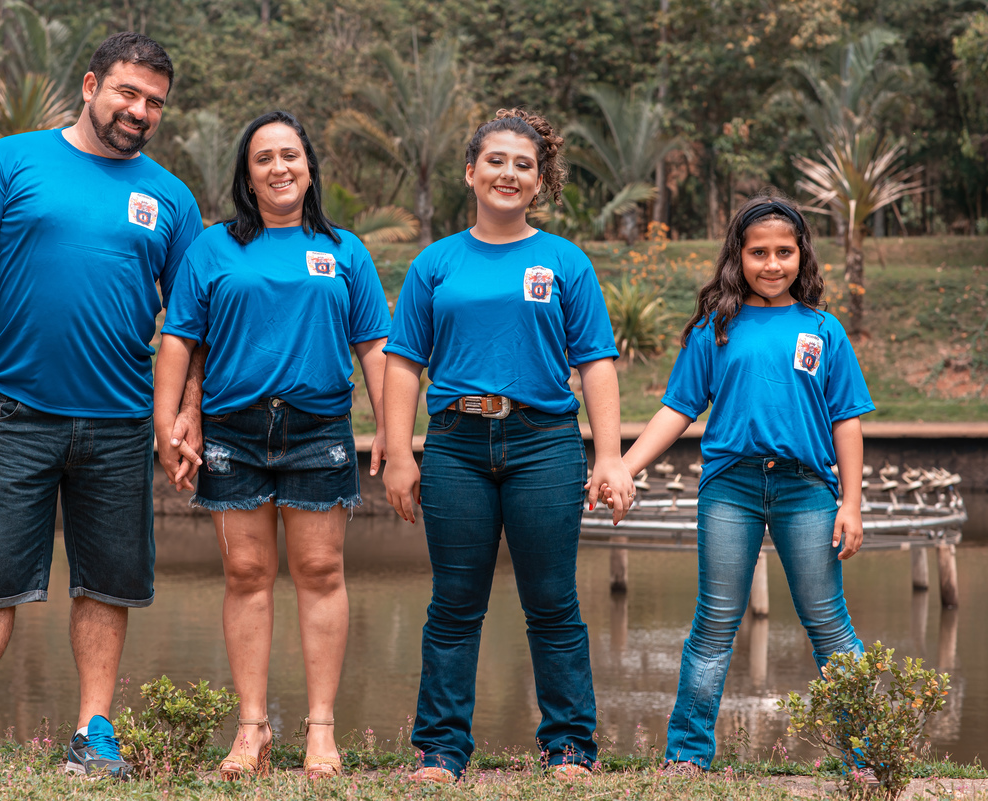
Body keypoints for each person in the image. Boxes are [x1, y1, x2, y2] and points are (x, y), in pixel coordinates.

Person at [0, 32, 204, 780]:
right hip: (14, 410)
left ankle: (94, 731)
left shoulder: (172, 197)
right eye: (128, 93)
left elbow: (190, 319)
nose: (140, 111)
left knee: (106, 578)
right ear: (90, 84)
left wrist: (185, 410)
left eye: (155, 103)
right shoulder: (11, 161)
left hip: (118, 422)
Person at [381, 108, 635, 784]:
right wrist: (400, 452)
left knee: (552, 601)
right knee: (455, 602)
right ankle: (440, 749)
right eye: (495, 160)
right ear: (471, 171)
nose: (508, 173)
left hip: (543, 442)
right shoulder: (435, 264)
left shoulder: (564, 262)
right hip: (456, 445)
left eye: (524, 164)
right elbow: (403, 361)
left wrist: (609, 455)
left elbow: (597, 362)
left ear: (539, 180)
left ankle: (570, 747)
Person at [153, 110, 391, 780]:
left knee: (320, 574)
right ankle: (252, 728)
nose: (279, 168)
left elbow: (376, 347)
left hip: (319, 430)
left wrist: (393, 434)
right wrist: (164, 422)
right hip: (232, 432)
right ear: (246, 175)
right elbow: (178, 340)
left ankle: (320, 729)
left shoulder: (345, 249)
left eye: (291, 155)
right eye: (264, 158)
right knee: (246, 575)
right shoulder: (213, 248)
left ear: (310, 167)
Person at [608, 192, 872, 774]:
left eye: (784, 251)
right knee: (714, 623)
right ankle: (687, 757)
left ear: (802, 255)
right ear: (738, 256)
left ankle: (868, 755)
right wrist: (625, 466)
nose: (772, 264)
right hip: (730, 489)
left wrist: (850, 504)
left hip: (808, 491)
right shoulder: (714, 329)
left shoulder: (824, 331)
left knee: (829, 625)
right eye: (759, 252)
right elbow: (677, 410)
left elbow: (846, 422)